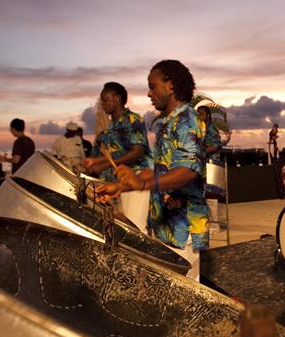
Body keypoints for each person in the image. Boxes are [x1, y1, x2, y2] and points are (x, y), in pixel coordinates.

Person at [96, 60, 209, 281]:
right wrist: (121, 186)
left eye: (152, 86)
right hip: (164, 226)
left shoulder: (187, 121)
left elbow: (187, 172)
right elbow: (156, 171)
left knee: (182, 298)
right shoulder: (168, 123)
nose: (149, 93)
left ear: (171, 86)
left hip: (183, 229)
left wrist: (143, 184)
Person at [80, 82, 150, 230]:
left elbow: (138, 151)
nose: (102, 104)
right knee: (124, 226)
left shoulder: (132, 119)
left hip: (138, 176)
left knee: (135, 227)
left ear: (117, 99)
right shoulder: (112, 125)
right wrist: (95, 161)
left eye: (105, 100)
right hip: (121, 179)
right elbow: (116, 154)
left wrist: (103, 164)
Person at [197, 105, 223, 229]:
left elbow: (218, 145)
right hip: (200, 165)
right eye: (198, 114)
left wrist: (205, 151)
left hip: (211, 164)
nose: (199, 116)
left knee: (211, 197)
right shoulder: (198, 129)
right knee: (201, 196)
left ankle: (214, 226)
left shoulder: (212, 129)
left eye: (201, 114)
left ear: (208, 115)